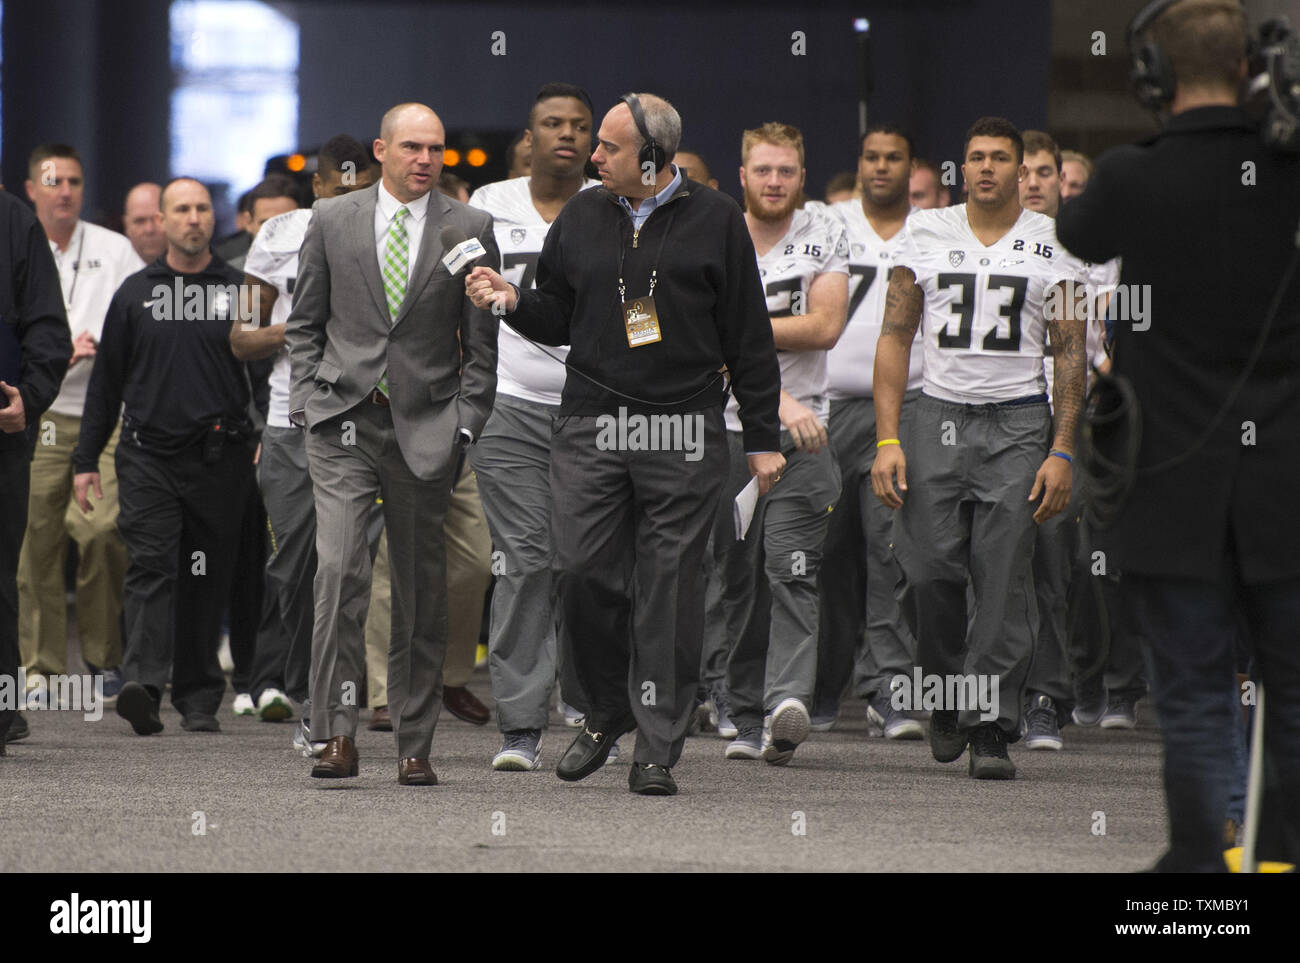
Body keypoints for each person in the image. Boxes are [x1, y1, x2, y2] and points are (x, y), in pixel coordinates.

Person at [466, 92, 783, 795]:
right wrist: (512, 299)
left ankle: (658, 744)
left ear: (650, 157)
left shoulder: (718, 221)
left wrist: (762, 437)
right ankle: (607, 710)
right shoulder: (583, 213)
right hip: (592, 424)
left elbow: (749, 338)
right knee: (579, 571)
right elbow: (556, 312)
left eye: (606, 147)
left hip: (683, 429)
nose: (592, 156)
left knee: (670, 590)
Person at [1057, 0, 1300, 871]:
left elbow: (1075, 232)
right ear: (1249, 68)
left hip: (1174, 485)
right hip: (1284, 484)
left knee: (1194, 691)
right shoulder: (1286, 167)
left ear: (1152, 79)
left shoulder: (1129, 175)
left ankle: (1199, 868)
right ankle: (1279, 857)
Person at [286, 102, 500, 786]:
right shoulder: (332, 219)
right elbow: (303, 324)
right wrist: (303, 406)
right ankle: (335, 733)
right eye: (412, 146)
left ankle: (415, 740)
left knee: (421, 589)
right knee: (339, 570)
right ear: (380, 150)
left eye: (436, 149)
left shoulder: (469, 227)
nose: (425, 160)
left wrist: (467, 422)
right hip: (342, 420)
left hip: (427, 426)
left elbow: (483, 349)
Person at [871, 116, 1088, 781]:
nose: (987, 167)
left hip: (1019, 421)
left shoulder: (1054, 240)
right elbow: (894, 336)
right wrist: (886, 437)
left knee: (1002, 577)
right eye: (975, 157)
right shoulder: (927, 232)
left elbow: (1069, 353)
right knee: (929, 568)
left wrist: (1062, 449)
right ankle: (944, 692)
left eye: (1000, 157)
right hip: (938, 415)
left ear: (1022, 170)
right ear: (960, 169)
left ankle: (991, 722)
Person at [73, 177, 256, 736]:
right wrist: (84, 461)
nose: (194, 218)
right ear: (164, 219)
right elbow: (106, 383)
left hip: (220, 457)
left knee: (205, 574)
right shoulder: (135, 293)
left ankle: (199, 696)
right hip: (147, 454)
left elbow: (267, 374)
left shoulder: (240, 291)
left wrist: (265, 437)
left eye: (202, 209)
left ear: (212, 218)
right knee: (151, 565)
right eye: (182, 209)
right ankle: (145, 685)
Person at [468, 82, 601, 771]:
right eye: (553, 123)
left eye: (580, 125)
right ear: (530, 136)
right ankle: (520, 723)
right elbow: (453, 298)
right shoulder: (488, 204)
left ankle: (586, 699)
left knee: (585, 563)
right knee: (523, 558)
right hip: (510, 403)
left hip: (595, 409)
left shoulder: (613, 208)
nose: (567, 135)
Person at [231, 134, 377, 734]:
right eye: (338, 189)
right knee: (292, 560)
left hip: (367, 414)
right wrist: (306, 328)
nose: (349, 198)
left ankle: (323, 691)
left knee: (347, 563)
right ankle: (293, 677)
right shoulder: (278, 234)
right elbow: (240, 336)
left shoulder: (390, 232)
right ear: (315, 189)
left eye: (360, 189)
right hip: (291, 415)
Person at [712, 122, 847, 765]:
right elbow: (691, 337)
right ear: (741, 174)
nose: (774, 182)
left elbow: (824, 326)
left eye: (786, 171)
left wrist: (735, 331)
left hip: (806, 438)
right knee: (735, 582)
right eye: (763, 170)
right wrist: (772, 395)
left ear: (801, 175)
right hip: (724, 435)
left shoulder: (823, 236)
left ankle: (784, 705)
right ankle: (739, 711)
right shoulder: (712, 233)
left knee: (792, 570)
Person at [18, 144, 142, 710]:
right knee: (35, 541)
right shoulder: (19, 245)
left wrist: (104, 349)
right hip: (38, 413)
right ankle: (39, 667)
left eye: (74, 181)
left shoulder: (115, 249)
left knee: (99, 534)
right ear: (31, 189)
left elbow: (143, 326)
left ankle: (103, 658)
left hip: (104, 414)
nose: (65, 191)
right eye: (54, 181)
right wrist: (50, 355)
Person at [813, 125, 924, 739]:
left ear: (912, 168)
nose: (882, 167)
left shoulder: (933, 231)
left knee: (893, 554)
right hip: (825, 409)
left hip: (903, 411)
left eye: (894, 159)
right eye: (872, 158)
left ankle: (892, 692)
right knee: (823, 556)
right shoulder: (825, 221)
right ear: (858, 165)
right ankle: (822, 688)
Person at [0, 191, 72, 754]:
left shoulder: (14, 222)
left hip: (2, 430)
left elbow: (49, 331)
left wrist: (30, 397)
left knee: (3, 576)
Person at [122, 183, 166, 263]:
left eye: (158, 220)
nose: (149, 230)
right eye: (140, 221)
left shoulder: (184, 274)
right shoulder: (113, 271)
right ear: (127, 225)